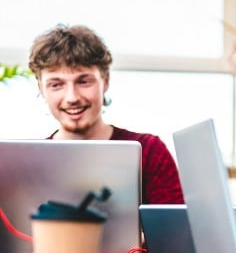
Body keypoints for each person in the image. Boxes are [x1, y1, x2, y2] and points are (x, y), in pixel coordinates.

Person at [28, 24, 184, 205]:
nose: (72, 98)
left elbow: (177, 232)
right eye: (56, 85)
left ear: (106, 81)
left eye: (84, 81)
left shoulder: (148, 152)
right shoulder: (29, 164)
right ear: (41, 88)